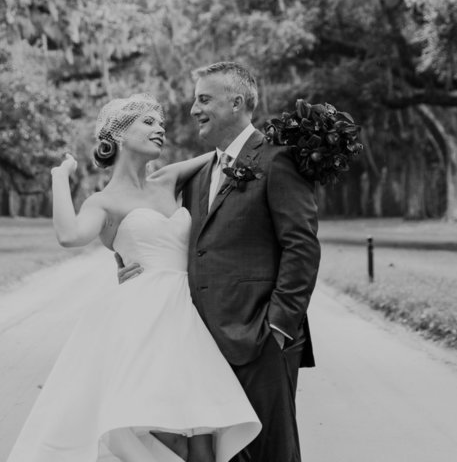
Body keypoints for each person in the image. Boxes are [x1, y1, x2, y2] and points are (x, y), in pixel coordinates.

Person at [5, 93, 261, 462]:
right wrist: (59, 177)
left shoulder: (169, 178)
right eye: (149, 122)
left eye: (161, 124)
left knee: (202, 432)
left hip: (188, 316)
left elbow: (234, 151)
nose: (160, 130)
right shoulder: (102, 203)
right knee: (158, 427)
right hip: (144, 318)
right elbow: (69, 235)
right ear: (120, 135)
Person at [120, 62, 320, 462]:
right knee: (228, 455)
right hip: (204, 342)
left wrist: (279, 326)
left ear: (238, 102)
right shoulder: (201, 172)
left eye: (204, 99)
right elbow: (185, 242)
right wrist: (134, 267)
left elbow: (302, 246)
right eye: (196, 99)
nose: (194, 108)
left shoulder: (278, 159)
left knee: (270, 451)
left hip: (261, 338)